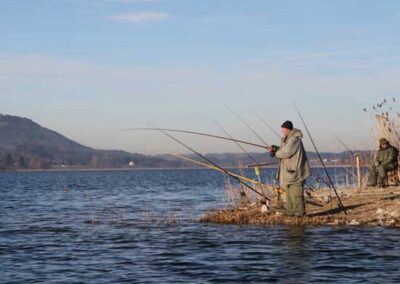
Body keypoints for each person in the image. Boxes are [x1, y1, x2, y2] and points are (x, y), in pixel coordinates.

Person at [267, 120, 311, 216]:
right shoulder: (287, 139)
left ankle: (300, 215)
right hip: (288, 174)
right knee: (289, 196)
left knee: (296, 195)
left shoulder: (294, 139)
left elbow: (286, 152)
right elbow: (283, 149)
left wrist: (276, 153)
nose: (282, 131)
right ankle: (291, 213)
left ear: (288, 129)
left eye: (283, 129)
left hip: (296, 173)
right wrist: (275, 148)